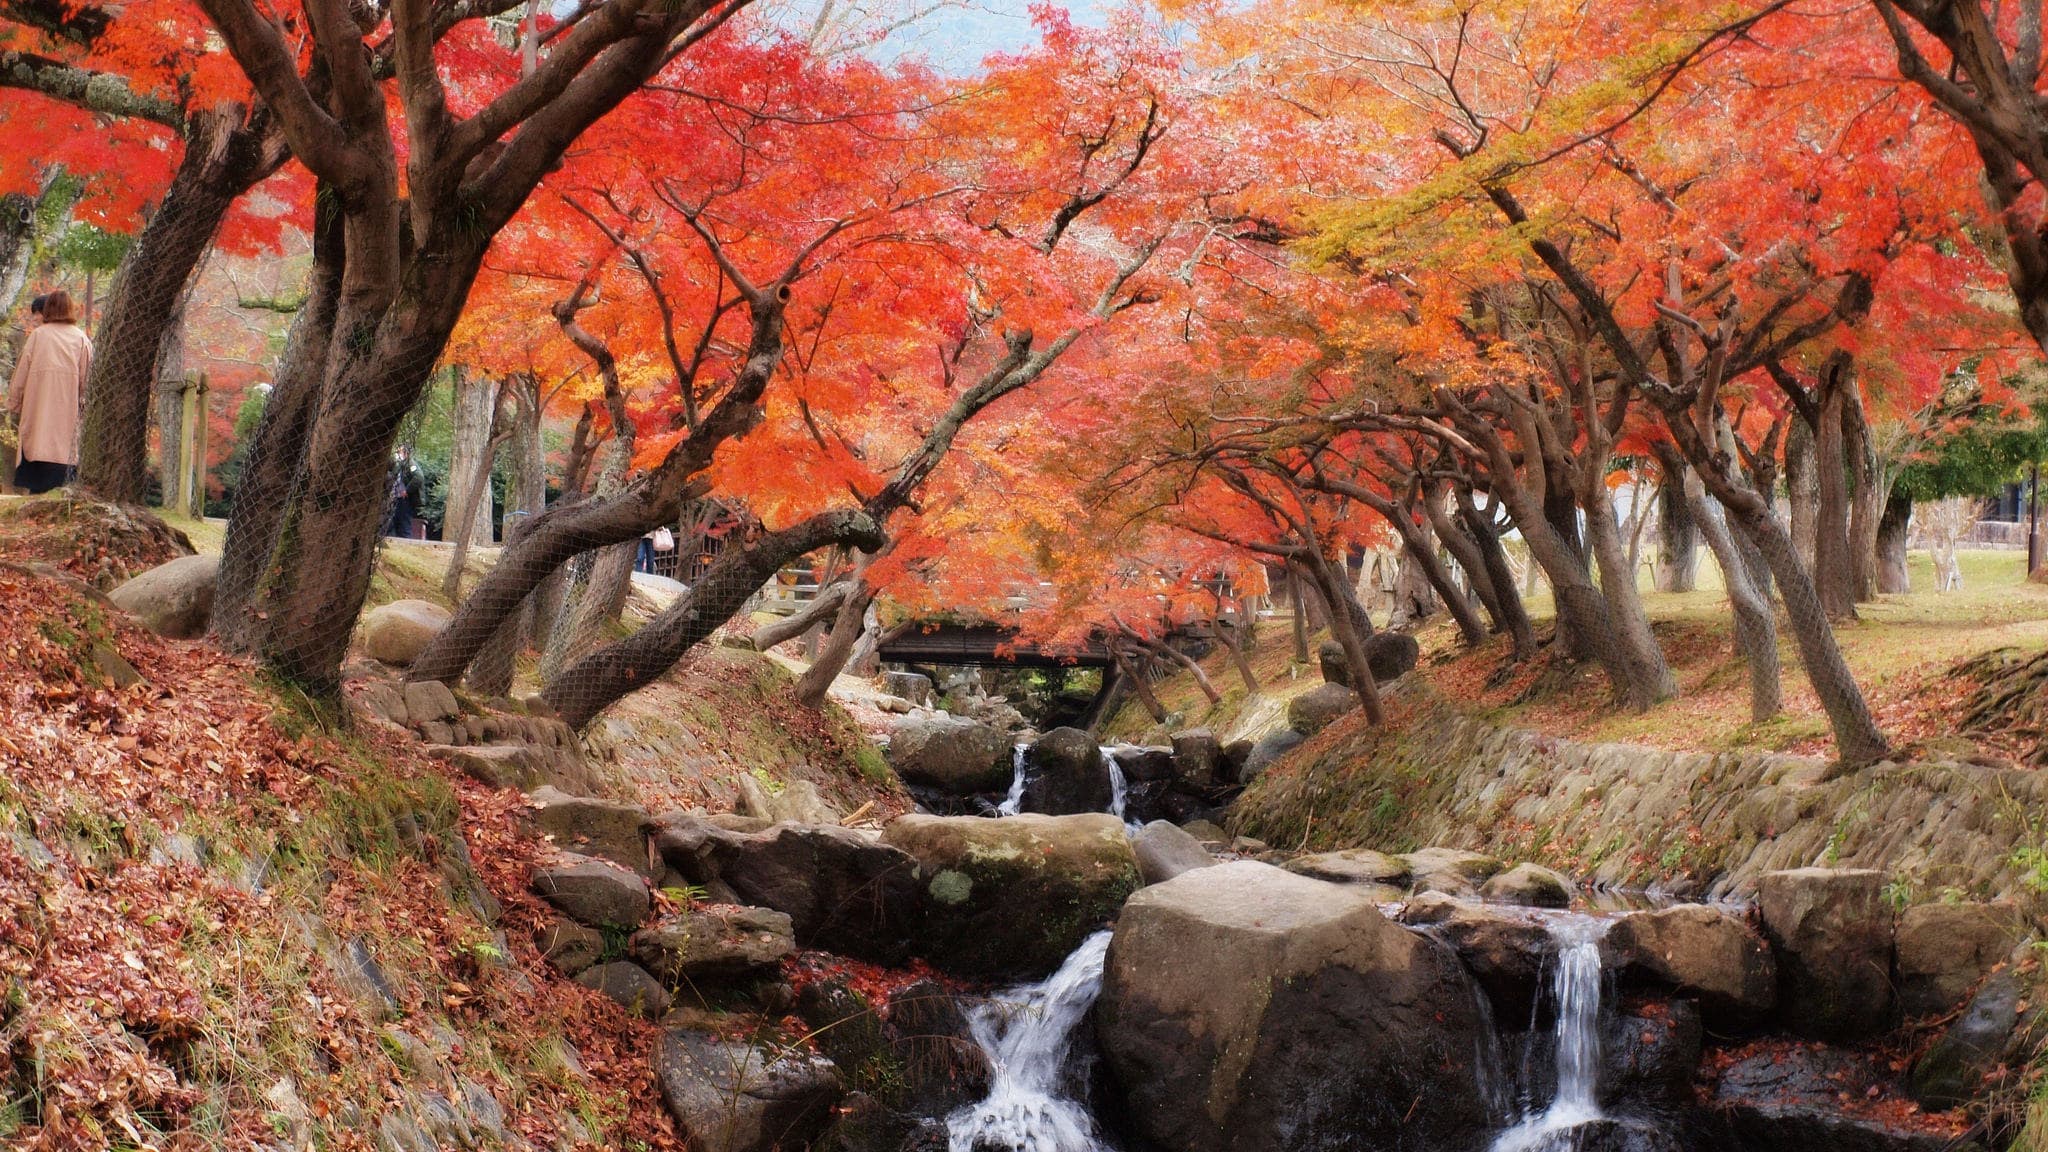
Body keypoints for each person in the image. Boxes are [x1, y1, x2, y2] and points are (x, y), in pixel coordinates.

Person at [8, 290, 90, 495]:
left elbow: (21, 374)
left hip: (38, 412)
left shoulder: (37, 336)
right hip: (67, 416)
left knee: (36, 448)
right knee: (65, 459)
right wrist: (85, 406)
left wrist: (14, 403)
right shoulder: (81, 339)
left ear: (47, 310)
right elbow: (88, 381)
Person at [383, 446, 425, 538]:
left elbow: (418, 478)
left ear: (406, 453)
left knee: (404, 524)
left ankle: (407, 543)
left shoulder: (410, 464)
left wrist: (407, 490)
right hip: (397, 499)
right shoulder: (400, 465)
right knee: (395, 523)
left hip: (405, 499)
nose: (398, 454)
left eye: (399, 452)